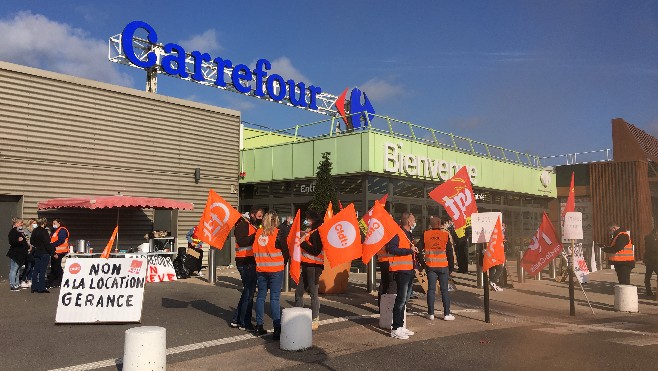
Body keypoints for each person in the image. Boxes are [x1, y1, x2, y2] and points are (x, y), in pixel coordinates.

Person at [253, 210, 288, 340]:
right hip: (275, 270)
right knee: (274, 299)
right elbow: (286, 252)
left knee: (261, 297)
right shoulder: (278, 233)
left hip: (261, 269)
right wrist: (282, 264)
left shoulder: (257, 233)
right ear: (276, 221)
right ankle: (277, 329)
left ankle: (259, 326)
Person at [230, 206, 263, 331]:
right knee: (249, 292)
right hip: (245, 261)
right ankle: (244, 322)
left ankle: (237, 319)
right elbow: (242, 241)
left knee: (247, 292)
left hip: (249, 261)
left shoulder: (252, 225)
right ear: (253, 214)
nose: (260, 219)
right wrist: (256, 236)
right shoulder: (243, 224)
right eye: (259, 216)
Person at [386, 212, 418, 340]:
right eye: (413, 219)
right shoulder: (397, 233)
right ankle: (395, 328)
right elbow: (391, 248)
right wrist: (408, 251)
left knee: (404, 300)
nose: (415, 222)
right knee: (400, 300)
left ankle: (401, 326)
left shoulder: (408, 234)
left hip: (408, 270)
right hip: (400, 270)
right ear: (409, 222)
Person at [419, 216, 455, 321]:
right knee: (444, 290)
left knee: (431, 290)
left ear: (431, 224)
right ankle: (447, 314)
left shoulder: (425, 234)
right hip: (443, 266)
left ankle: (430, 313)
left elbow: (418, 250)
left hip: (430, 266)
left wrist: (423, 264)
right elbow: (449, 252)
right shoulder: (445, 235)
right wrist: (451, 267)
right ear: (439, 224)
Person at [295, 210, 324, 330]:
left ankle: (315, 318)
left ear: (312, 220)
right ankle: (298, 316)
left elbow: (316, 250)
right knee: (299, 292)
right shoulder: (311, 231)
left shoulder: (317, 232)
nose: (306, 221)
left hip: (314, 266)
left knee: (313, 293)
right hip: (307, 265)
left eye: (308, 219)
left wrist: (302, 244)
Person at [31, 217, 53, 293]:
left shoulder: (34, 230)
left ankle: (34, 287)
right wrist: (52, 253)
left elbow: (31, 241)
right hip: (44, 252)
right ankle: (41, 288)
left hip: (37, 252)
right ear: (44, 223)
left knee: (36, 270)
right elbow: (47, 244)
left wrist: (37, 245)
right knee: (42, 270)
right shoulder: (44, 232)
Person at [7, 218, 29, 291]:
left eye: (22, 223)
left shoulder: (18, 231)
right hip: (16, 254)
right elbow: (12, 242)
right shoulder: (13, 231)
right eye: (20, 223)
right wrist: (18, 241)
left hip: (20, 255)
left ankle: (16, 284)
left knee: (18, 269)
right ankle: (12, 285)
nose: (21, 224)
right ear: (16, 223)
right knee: (14, 269)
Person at [47, 218, 69, 288]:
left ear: (59, 223)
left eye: (55, 223)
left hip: (60, 251)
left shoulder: (62, 230)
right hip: (55, 251)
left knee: (56, 266)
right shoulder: (54, 230)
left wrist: (52, 245)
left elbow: (61, 240)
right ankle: (53, 281)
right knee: (54, 266)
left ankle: (60, 280)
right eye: (53, 223)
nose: (53, 225)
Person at [488, 222, 507, 292]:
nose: (504, 226)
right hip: (496, 253)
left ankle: (493, 283)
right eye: (503, 225)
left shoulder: (495, 233)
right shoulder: (498, 232)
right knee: (499, 268)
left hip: (492, 252)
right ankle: (493, 281)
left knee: (492, 268)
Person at [19, 218, 36, 288]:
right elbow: (26, 241)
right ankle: (23, 279)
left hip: (33, 250)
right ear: (30, 224)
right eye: (34, 223)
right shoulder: (25, 231)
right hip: (27, 250)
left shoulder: (34, 231)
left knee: (32, 266)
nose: (35, 225)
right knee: (28, 266)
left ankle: (29, 280)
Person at [643, 228, 658, 296]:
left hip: (650, 259)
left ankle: (648, 290)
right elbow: (654, 248)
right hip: (653, 260)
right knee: (648, 276)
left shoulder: (648, 238)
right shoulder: (651, 239)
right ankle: (649, 291)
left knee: (648, 276)